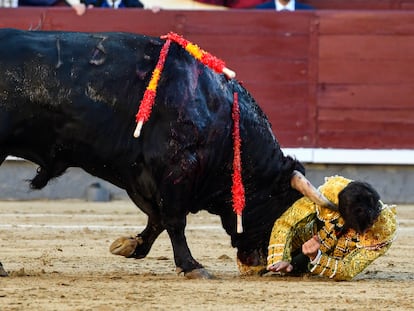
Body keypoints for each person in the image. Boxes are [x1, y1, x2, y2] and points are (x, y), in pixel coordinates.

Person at [267, 175, 397, 281]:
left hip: (324, 259)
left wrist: (316, 256)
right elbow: (287, 222)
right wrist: (279, 257)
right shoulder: (331, 193)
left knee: (294, 267)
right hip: (304, 237)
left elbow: (348, 269)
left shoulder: (383, 229)